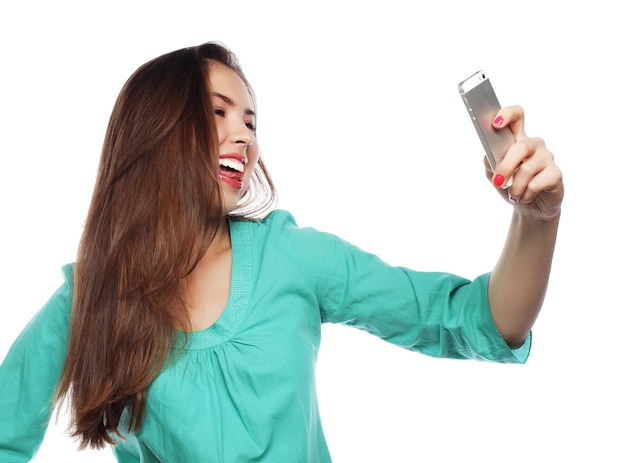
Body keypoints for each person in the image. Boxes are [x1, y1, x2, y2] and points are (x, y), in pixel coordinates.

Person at [0, 41, 563, 462]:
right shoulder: (90, 297)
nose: (244, 136)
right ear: (153, 130)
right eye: (218, 113)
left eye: (250, 120)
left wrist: (537, 220)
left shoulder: (290, 257)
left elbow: (479, 320)